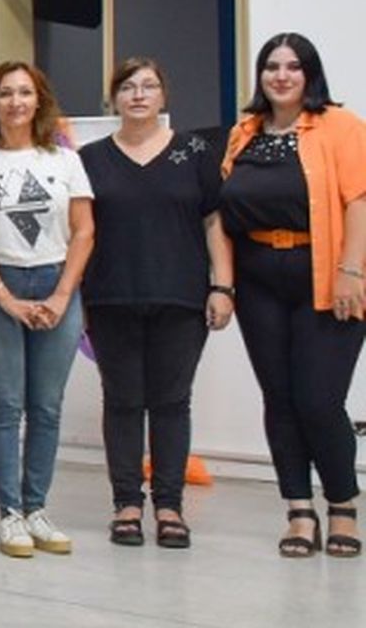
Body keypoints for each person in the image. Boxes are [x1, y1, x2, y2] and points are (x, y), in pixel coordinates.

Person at [218, 33, 366, 559]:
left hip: (326, 273)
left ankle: (343, 505)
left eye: (293, 66)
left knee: (319, 400)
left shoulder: (341, 126)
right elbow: (223, 212)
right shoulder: (245, 133)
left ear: (310, 74)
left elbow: (359, 200)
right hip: (260, 277)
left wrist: (353, 271)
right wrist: (224, 283)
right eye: (271, 66)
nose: (282, 75)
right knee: (279, 399)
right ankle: (299, 510)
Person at [79, 58, 233, 549]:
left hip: (181, 297)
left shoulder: (195, 152)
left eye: (149, 86)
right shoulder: (90, 158)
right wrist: (75, 295)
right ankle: (126, 503)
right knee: (122, 402)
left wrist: (223, 286)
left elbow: (214, 222)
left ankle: (169, 505)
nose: (138, 95)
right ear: (114, 99)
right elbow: (79, 232)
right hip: (109, 296)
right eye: (128, 87)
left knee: (171, 403)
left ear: (164, 97)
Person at [0, 61, 93, 558]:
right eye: (5, 93)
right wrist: (6, 299)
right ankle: (10, 514)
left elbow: (84, 231)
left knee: (46, 408)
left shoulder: (65, 161)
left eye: (25, 93)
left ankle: (37, 509)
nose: (15, 102)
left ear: (39, 100)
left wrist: (60, 296)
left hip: (57, 284)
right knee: (6, 406)